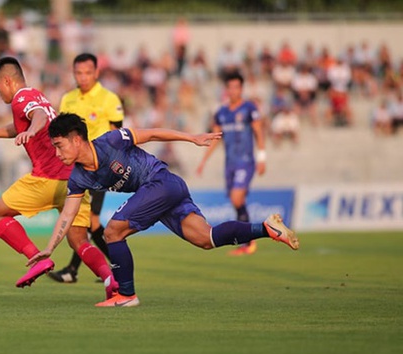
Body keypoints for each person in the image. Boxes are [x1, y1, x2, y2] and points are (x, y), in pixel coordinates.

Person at [26, 113, 299, 307]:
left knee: (112, 231)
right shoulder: (77, 178)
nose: (57, 153)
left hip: (161, 182)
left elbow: (153, 132)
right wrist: (50, 247)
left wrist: (191, 138)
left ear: (76, 140)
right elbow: (68, 215)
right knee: (206, 239)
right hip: (162, 193)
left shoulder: (111, 141)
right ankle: (266, 228)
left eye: (59, 146)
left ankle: (127, 295)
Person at [0, 57, 117, 297]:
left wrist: (33, 131)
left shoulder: (22, 99)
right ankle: (111, 280)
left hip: (46, 178)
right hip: (75, 179)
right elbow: (23, 124)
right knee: (79, 241)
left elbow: (38, 118)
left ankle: (36, 260)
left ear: (7, 81)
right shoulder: (37, 95)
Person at [48, 53, 124, 284]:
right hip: (77, 169)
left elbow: (117, 135)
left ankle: (86, 268)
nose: (83, 77)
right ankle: (92, 267)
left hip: (100, 166)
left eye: (87, 72)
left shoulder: (109, 99)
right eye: (78, 73)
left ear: (96, 73)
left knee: (90, 220)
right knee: (88, 222)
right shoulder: (67, 99)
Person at [196, 72, 267, 256]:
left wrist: (262, 157)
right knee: (237, 202)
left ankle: (249, 242)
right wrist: (203, 161)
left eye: (236, 87)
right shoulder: (221, 113)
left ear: (241, 88)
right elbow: (215, 138)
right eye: (230, 87)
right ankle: (246, 241)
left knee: (237, 198)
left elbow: (259, 132)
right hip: (230, 164)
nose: (233, 90)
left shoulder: (249, 108)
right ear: (226, 89)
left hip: (246, 162)